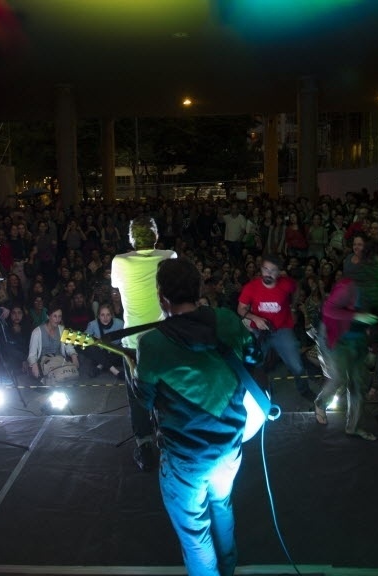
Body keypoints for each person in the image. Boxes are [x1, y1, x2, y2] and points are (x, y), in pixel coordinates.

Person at [135, 257, 256, 576]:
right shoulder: (228, 320)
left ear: (162, 298)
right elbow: (249, 355)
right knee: (222, 504)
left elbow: (144, 401)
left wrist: (138, 371)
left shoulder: (152, 343)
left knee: (195, 536)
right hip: (230, 446)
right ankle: (228, 568)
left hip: (185, 457)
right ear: (199, 289)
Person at [111, 216, 177, 471]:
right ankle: (167, 438)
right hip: (163, 339)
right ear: (156, 236)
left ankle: (144, 446)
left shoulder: (120, 261)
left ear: (131, 238)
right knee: (165, 391)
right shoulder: (169, 256)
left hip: (133, 343)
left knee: (137, 395)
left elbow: (117, 288)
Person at [315, 259, 378, 440]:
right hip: (335, 337)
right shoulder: (349, 287)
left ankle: (353, 427)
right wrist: (358, 315)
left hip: (357, 339)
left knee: (359, 383)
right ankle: (320, 402)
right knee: (339, 378)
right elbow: (328, 309)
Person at [237, 254, 310, 400]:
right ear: (261, 269)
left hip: (282, 329)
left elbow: (297, 287)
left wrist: (293, 307)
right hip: (260, 331)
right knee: (255, 364)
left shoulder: (286, 283)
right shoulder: (251, 288)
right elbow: (241, 309)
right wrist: (255, 318)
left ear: (279, 272)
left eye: (273, 270)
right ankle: (255, 395)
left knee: (297, 365)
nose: (268, 274)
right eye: (265, 269)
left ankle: (304, 390)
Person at [84, 304, 125, 379]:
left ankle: (100, 366)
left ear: (112, 315)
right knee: (91, 349)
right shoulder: (92, 324)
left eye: (108, 315)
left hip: (115, 352)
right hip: (100, 351)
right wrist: (93, 339)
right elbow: (85, 340)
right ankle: (116, 372)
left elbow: (126, 339)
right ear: (98, 316)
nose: (105, 318)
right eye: (102, 315)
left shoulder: (120, 323)